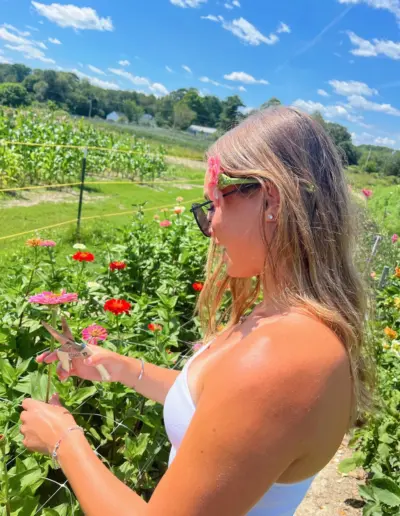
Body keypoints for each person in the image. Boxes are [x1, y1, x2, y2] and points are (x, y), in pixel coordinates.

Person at [21, 107, 373, 516]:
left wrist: (64, 441)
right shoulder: (286, 321)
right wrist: (120, 367)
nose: (211, 228)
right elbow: (215, 406)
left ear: (271, 198)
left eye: (214, 205)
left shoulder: (280, 357)